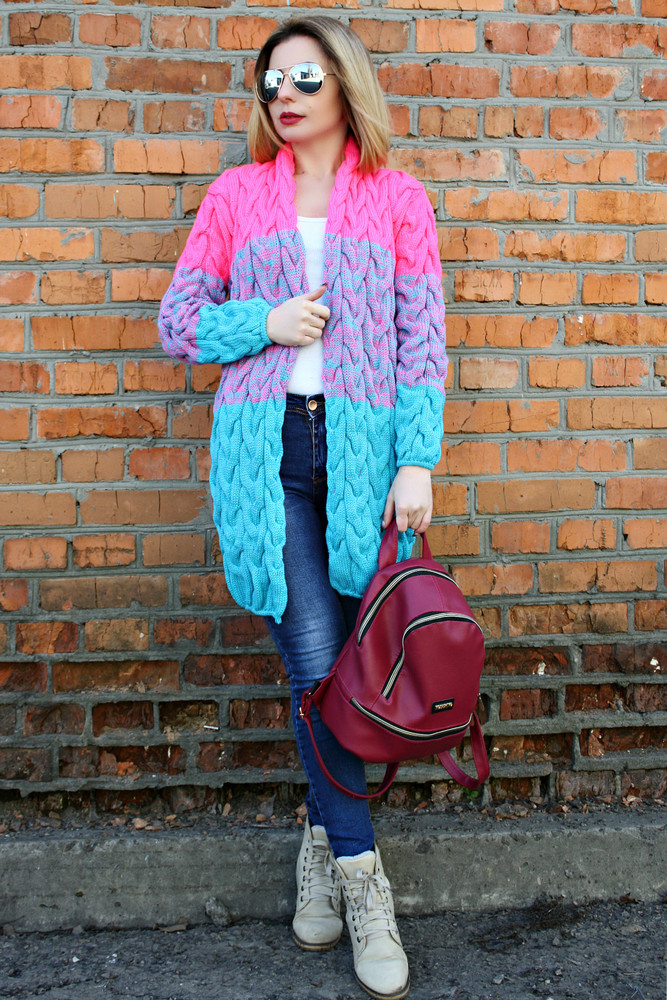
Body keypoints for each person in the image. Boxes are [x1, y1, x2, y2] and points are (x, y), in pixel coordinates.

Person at [158, 16, 447, 999]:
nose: (283, 94)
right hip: (267, 455)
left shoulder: (396, 197)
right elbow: (179, 322)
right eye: (271, 81)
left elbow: (421, 340)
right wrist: (265, 321)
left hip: (363, 460)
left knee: (347, 672)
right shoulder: (237, 196)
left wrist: (417, 460)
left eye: (303, 78)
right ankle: (367, 885)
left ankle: (319, 844)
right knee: (318, 667)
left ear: (343, 86)